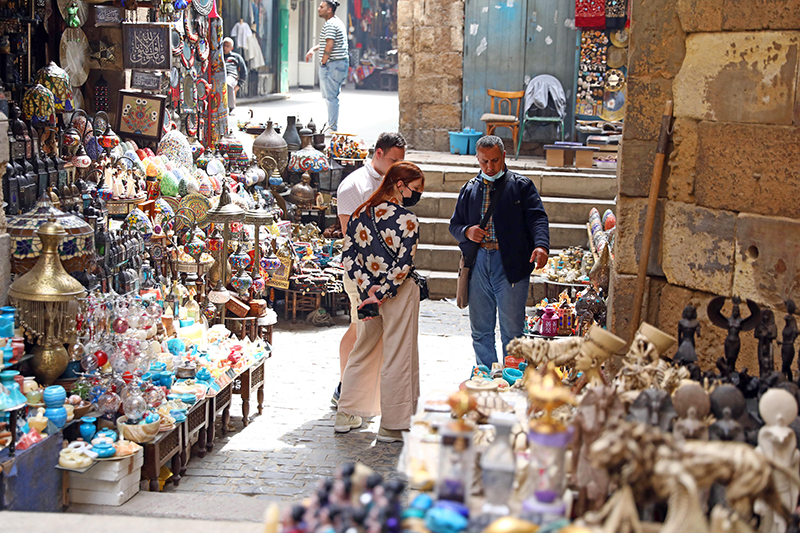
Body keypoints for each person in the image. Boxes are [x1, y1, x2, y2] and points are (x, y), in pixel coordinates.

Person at [337, 161, 425, 443]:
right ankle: (393, 424)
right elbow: (402, 266)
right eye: (415, 189)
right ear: (400, 185)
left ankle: (346, 411)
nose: (417, 195)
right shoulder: (408, 220)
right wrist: (383, 291)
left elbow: (348, 258)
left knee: (363, 349)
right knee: (399, 355)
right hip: (397, 294)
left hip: (366, 295)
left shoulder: (361, 213)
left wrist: (368, 289)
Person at [449, 135, 550, 368]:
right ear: (477, 159)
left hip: (511, 263)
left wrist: (541, 245)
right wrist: (467, 232)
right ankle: (486, 374)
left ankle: (512, 376)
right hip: (478, 262)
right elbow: (454, 225)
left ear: (504, 156)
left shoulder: (521, 186)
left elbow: (537, 218)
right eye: (484, 161)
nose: (490, 167)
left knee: (512, 330)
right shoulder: (469, 189)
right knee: (480, 330)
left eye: (494, 160)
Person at [332, 132, 406, 407]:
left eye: (401, 160)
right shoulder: (355, 185)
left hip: (387, 272)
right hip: (361, 272)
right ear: (378, 153)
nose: (398, 165)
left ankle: (357, 388)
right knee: (359, 328)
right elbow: (348, 233)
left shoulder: (394, 183)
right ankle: (344, 387)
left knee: (374, 331)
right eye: (393, 159)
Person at [305, 0, 349, 132]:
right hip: (339, 63)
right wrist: (314, 49)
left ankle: (332, 128)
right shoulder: (336, 22)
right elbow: (328, 42)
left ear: (329, 10)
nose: (318, 9)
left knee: (331, 98)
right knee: (332, 96)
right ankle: (332, 125)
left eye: (321, 7)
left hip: (333, 64)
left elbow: (330, 44)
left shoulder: (330, 24)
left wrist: (323, 62)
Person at [223, 37, 248, 112]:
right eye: (224, 45)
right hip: (220, 74)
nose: (225, 48)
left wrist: (239, 85)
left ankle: (231, 107)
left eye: (228, 46)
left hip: (231, 76)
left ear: (232, 48)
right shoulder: (218, 56)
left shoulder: (236, 57)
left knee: (227, 83)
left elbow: (244, 72)